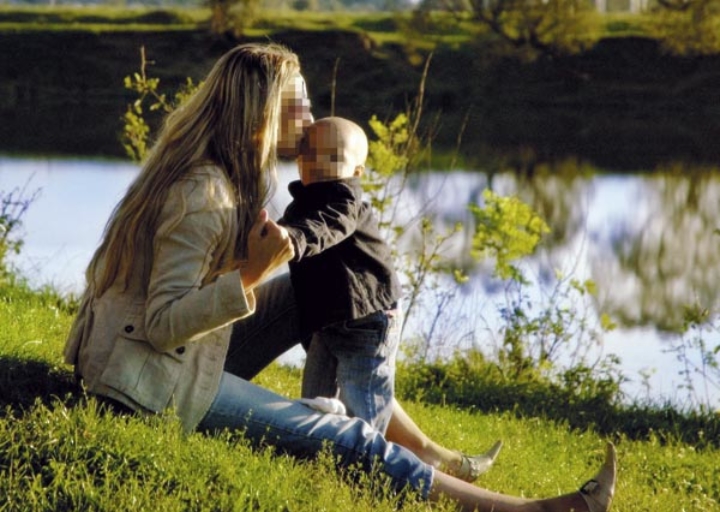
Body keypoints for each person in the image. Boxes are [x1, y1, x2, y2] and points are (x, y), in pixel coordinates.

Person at [63, 42, 617, 511]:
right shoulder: (204, 193)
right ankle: (529, 511)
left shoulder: (228, 176)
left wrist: (258, 268)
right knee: (349, 438)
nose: (311, 121)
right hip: (146, 382)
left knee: (322, 291)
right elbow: (162, 325)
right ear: (263, 114)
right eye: (299, 108)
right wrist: (250, 273)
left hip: (165, 357)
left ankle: (428, 451)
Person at [278, 116, 402, 436]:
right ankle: (313, 449)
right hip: (329, 322)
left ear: (357, 171)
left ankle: (367, 458)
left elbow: (329, 226)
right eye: (310, 153)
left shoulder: (344, 201)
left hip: (366, 320)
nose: (319, 162)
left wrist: (295, 239)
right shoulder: (298, 208)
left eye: (333, 157)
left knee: (363, 403)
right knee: (314, 400)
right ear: (299, 161)